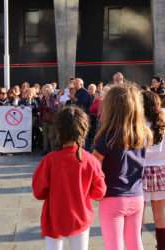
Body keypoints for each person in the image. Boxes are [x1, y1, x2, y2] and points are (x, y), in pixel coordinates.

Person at [32, 106, 106, 250]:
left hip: (54, 218)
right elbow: (99, 192)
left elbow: (38, 192)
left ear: (58, 130)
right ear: (84, 130)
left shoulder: (50, 160)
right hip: (81, 218)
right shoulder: (91, 160)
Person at [93, 84, 152, 250]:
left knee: (114, 245)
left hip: (112, 197)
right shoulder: (143, 133)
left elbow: (94, 165)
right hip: (137, 195)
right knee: (135, 243)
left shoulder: (107, 137)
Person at [142, 91, 165, 250]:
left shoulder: (137, 125)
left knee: (138, 218)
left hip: (140, 172)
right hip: (161, 172)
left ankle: (136, 245)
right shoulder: (162, 123)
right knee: (160, 217)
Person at [39, 84, 59, 153]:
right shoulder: (43, 99)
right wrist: (41, 119)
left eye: (47, 90)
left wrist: (48, 102)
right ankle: (45, 150)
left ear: (50, 90)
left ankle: (53, 150)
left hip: (52, 119)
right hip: (45, 119)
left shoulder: (55, 97)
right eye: (44, 90)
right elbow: (41, 109)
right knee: (45, 135)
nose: (45, 91)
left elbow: (54, 108)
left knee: (52, 135)